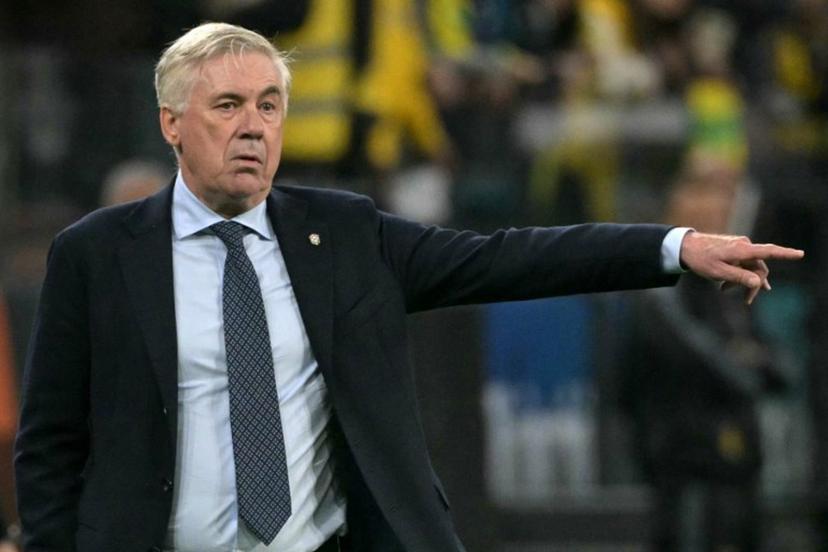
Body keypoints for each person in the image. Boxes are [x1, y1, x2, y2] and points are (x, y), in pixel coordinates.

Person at [13, 22, 804, 552]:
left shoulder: (347, 235)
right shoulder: (96, 256)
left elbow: (510, 257)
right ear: (171, 123)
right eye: (227, 106)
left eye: (269, 105)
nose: (254, 126)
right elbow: (51, 445)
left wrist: (674, 245)